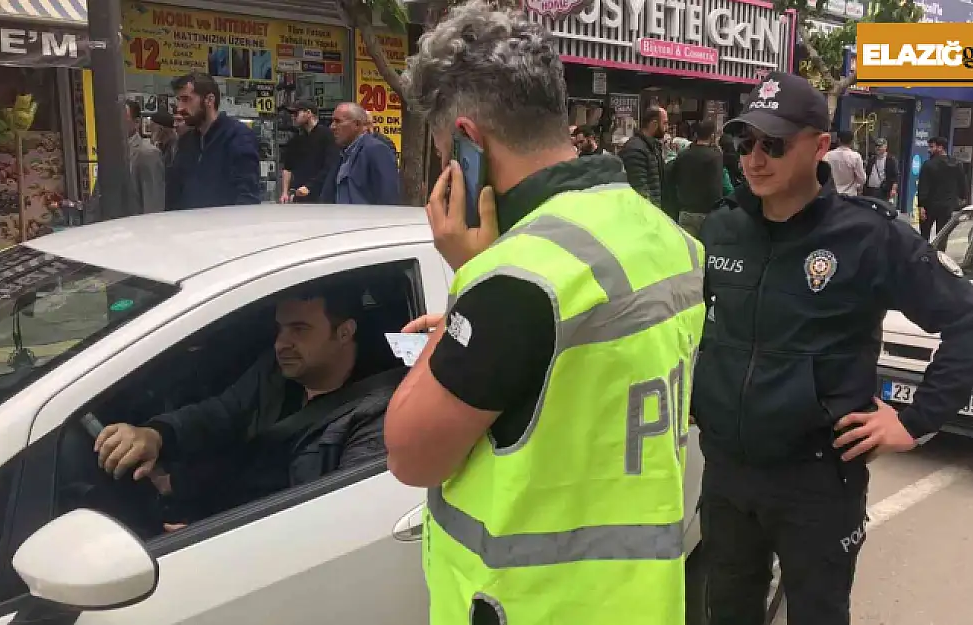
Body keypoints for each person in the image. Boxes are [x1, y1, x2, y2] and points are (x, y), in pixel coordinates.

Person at [386, 2, 705, 624]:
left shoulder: (514, 278)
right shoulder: (662, 235)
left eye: (445, 151)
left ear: (469, 144)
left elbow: (410, 455)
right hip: (643, 604)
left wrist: (466, 282)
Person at [693, 72, 973, 625]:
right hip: (726, 473)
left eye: (774, 144)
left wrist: (915, 421)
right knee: (725, 612)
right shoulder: (723, 230)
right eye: (745, 143)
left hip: (817, 482)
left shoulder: (870, 235)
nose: (755, 159)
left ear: (819, 147)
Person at [93, 285, 402, 530]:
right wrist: (155, 434)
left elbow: (337, 520)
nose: (282, 343)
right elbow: (221, 412)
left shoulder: (376, 412)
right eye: (280, 329)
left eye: (300, 329)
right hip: (221, 514)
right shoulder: (277, 371)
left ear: (344, 332)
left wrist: (216, 538)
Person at [167, 72, 261, 210]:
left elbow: (247, 196)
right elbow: (175, 193)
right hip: (189, 227)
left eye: (186, 99)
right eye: (179, 100)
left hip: (223, 228)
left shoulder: (237, 136)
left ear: (209, 100)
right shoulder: (187, 141)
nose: (180, 108)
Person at [319, 102, 400, 205]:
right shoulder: (342, 153)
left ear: (357, 124)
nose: (332, 127)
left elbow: (388, 197)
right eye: (332, 121)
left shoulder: (377, 150)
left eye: (338, 121)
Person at [666, 118, 723, 237]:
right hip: (707, 212)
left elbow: (671, 178)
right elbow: (715, 188)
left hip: (686, 211)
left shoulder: (683, 155)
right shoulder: (715, 156)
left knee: (689, 250)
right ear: (712, 135)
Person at [280, 101, 335, 204]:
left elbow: (330, 166)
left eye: (296, 113)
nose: (293, 117)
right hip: (299, 194)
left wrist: (309, 186)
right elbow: (287, 168)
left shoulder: (327, 135)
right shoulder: (296, 139)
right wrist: (285, 193)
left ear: (308, 113)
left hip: (321, 194)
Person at [916, 136, 968, 240]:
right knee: (942, 236)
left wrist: (921, 205)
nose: (928, 150)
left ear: (940, 148)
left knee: (924, 235)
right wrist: (962, 198)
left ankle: (925, 254)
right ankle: (939, 255)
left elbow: (923, 186)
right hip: (947, 205)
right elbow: (963, 184)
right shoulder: (957, 164)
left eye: (931, 147)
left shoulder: (928, 165)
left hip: (929, 205)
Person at [619, 106, 667, 207]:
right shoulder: (635, 149)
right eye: (665, 123)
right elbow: (639, 189)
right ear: (654, 124)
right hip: (644, 214)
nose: (666, 128)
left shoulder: (653, 146)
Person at [822, 130, 866, 195]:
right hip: (850, 196)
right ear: (852, 141)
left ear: (838, 140)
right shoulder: (855, 156)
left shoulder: (827, 155)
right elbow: (862, 179)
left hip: (832, 195)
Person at [863, 137, 899, 202]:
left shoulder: (891, 160)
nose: (878, 148)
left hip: (883, 190)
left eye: (880, 146)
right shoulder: (872, 159)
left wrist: (893, 189)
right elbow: (867, 173)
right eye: (876, 146)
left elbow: (895, 176)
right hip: (870, 190)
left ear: (885, 147)